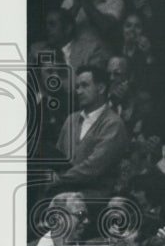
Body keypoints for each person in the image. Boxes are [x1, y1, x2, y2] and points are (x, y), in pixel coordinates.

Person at [52, 65, 129, 197]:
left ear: (101, 88)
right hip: (61, 193)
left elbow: (94, 167)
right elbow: (56, 156)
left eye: (85, 85)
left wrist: (59, 178)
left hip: (94, 198)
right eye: (77, 87)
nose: (79, 91)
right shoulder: (71, 120)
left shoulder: (113, 124)